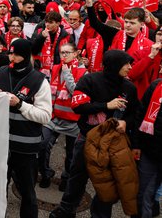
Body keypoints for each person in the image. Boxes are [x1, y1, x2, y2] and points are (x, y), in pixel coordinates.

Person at [50, 50, 140, 218]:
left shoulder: (129, 87)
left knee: (106, 184)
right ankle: (66, 211)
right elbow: (78, 106)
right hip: (87, 139)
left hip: (113, 144)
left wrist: (125, 122)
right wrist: (106, 105)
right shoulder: (89, 80)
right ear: (114, 65)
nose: (129, 67)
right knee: (76, 178)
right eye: (126, 64)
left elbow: (135, 114)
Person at [0, 38, 52, 218]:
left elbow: (45, 116)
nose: (12, 58)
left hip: (26, 150)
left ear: (25, 56)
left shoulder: (39, 80)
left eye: (16, 55)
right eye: (10, 53)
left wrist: (20, 104)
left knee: (28, 194)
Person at [38, 42, 87, 191]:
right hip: (53, 118)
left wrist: (67, 74)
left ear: (75, 54)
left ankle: (66, 178)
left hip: (73, 121)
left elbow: (76, 93)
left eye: (67, 52)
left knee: (71, 155)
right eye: (61, 53)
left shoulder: (83, 72)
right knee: (42, 145)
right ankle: (46, 173)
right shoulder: (55, 68)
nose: (63, 55)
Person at [133, 78, 162, 218]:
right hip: (150, 150)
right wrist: (136, 144)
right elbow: (141, 113)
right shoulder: (156, 86)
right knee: (143, 193)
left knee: (150, 195)